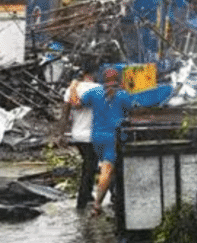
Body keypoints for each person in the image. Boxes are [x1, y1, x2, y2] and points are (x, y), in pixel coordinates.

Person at [69, 66, 173, 216]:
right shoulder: (122, 95)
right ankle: (97, 205)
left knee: (108, 169)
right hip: (113, 136)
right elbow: (136, 109)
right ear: (117, 80)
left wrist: (73, 87)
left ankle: (113, 199)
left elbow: (75, 104)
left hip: (96, 137)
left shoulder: (94, 93)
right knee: (108, 170)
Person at [58, 65, 99, 210]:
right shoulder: (98, 89)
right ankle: (81, 202)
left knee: (90, 165)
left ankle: (87, 196)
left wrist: (61, 135)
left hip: (77, 135)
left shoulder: (71, 90)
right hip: (93, 136)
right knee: (90, 167)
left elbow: (64, 115)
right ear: (94, 74)